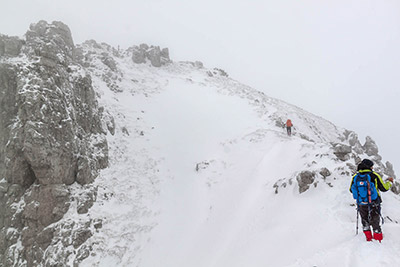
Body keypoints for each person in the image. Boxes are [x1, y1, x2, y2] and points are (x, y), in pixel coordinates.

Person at [349, 159, 393, 242]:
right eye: (372, 165)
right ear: (369, 166)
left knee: (365, 221)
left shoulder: (356, 177)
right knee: (375, 221)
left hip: (361, 203)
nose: (373, 167)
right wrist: (390, 182)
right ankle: (378, 239)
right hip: (374, 202)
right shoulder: (374, 175)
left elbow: (351, 189)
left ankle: (368, 239)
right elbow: (384, 188)